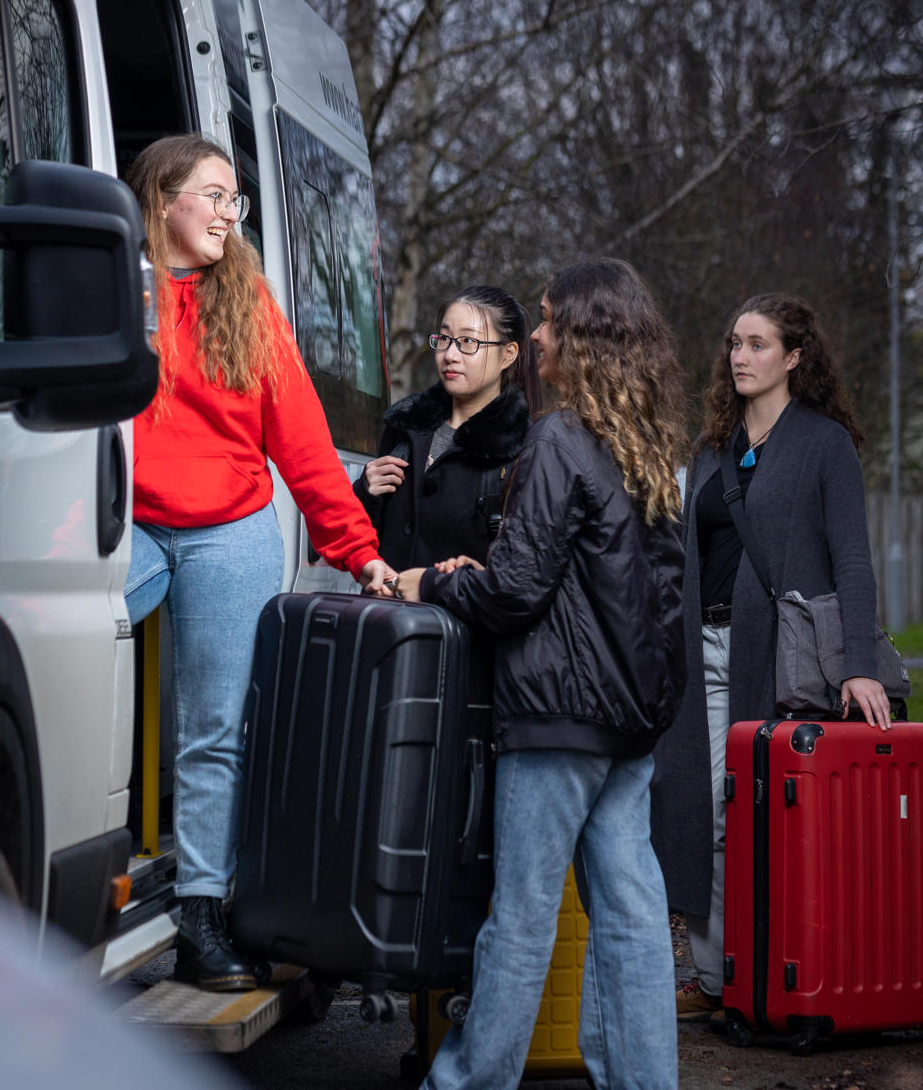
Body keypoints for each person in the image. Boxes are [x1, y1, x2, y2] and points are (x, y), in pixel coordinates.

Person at [397, 258, 687, 1090]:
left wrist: (438, 581)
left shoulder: (559, 437)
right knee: (630, 920)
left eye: (553, 322)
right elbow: (629, 587)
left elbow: (519, 590)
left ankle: (465, 1085)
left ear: (587, 338)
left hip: (557, 716)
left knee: (519, 923)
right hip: (629, 722)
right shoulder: (646, 443)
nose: (540, 340)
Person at [122, 134, 396, 992]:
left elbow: (305, 442)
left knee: (212, 731)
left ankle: (201, 914)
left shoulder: (248, 300)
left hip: (228, 531)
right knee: (63, 651)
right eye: (210, 194)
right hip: (121, 520)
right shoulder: (113, 286)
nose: (226, 211)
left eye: (233, 199)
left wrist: (359, 552)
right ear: (161, 197)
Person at [650, 294, 891, 1023]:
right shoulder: (708, 448)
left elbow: (852, 559)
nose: (739, 356)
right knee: (700, 809)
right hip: (703, 653)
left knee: (768, 819)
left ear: (794, 357)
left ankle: (777, 972)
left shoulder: (825, 444)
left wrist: (860, 662)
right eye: (733, 344)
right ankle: (719, 976)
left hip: (780, 656)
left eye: (757, 344)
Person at [353, 284, 540, 569]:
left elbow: (522, 576)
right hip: (383, 610)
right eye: (444, 338)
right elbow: (354, 539)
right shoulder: (405, 427)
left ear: (508, 354)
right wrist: (364, 492)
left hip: (457, 613)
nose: (450, 354)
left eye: (468, 342)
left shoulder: (524, 450)